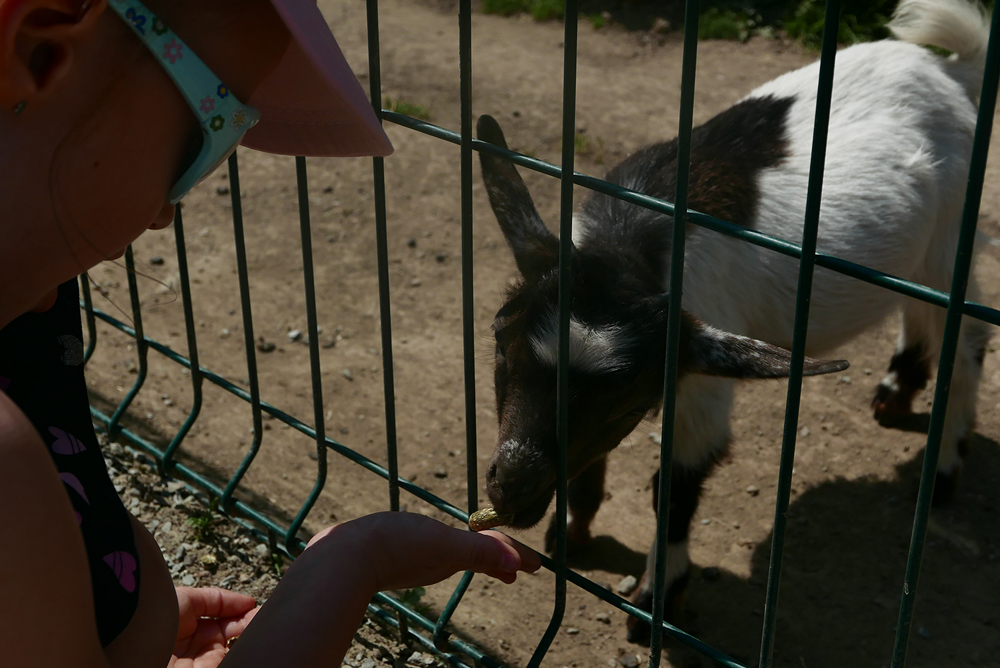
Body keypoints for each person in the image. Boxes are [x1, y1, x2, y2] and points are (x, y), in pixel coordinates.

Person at [0, 1, 542, 667]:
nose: (168, 212)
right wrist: (349, 566)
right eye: (205, 139)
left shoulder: (28, 314)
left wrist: (125, 623)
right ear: (36, 55)